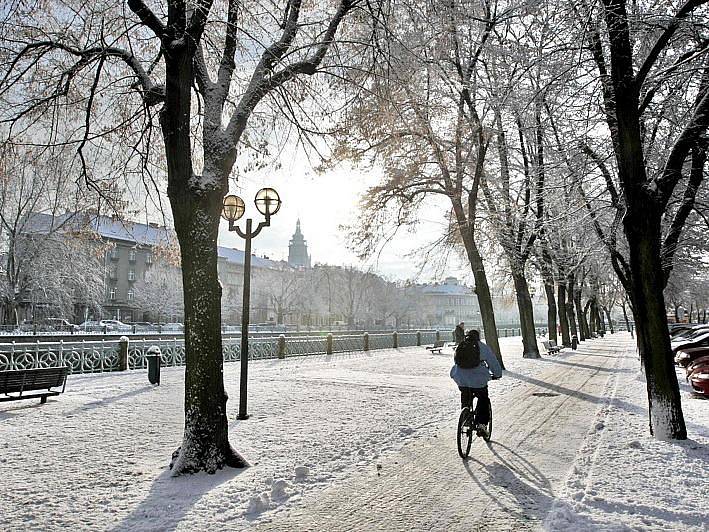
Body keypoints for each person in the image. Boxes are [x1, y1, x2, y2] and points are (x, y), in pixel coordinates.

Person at [450, 329, 502, 435]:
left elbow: (457, 362)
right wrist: (497, 374)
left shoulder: (461, 346)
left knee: (465, 397)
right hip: (478, 381)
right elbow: (493, 362)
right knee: (483, 398)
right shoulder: (482, 347)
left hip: (461, 380)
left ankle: (465, 419)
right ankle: (482, 424)